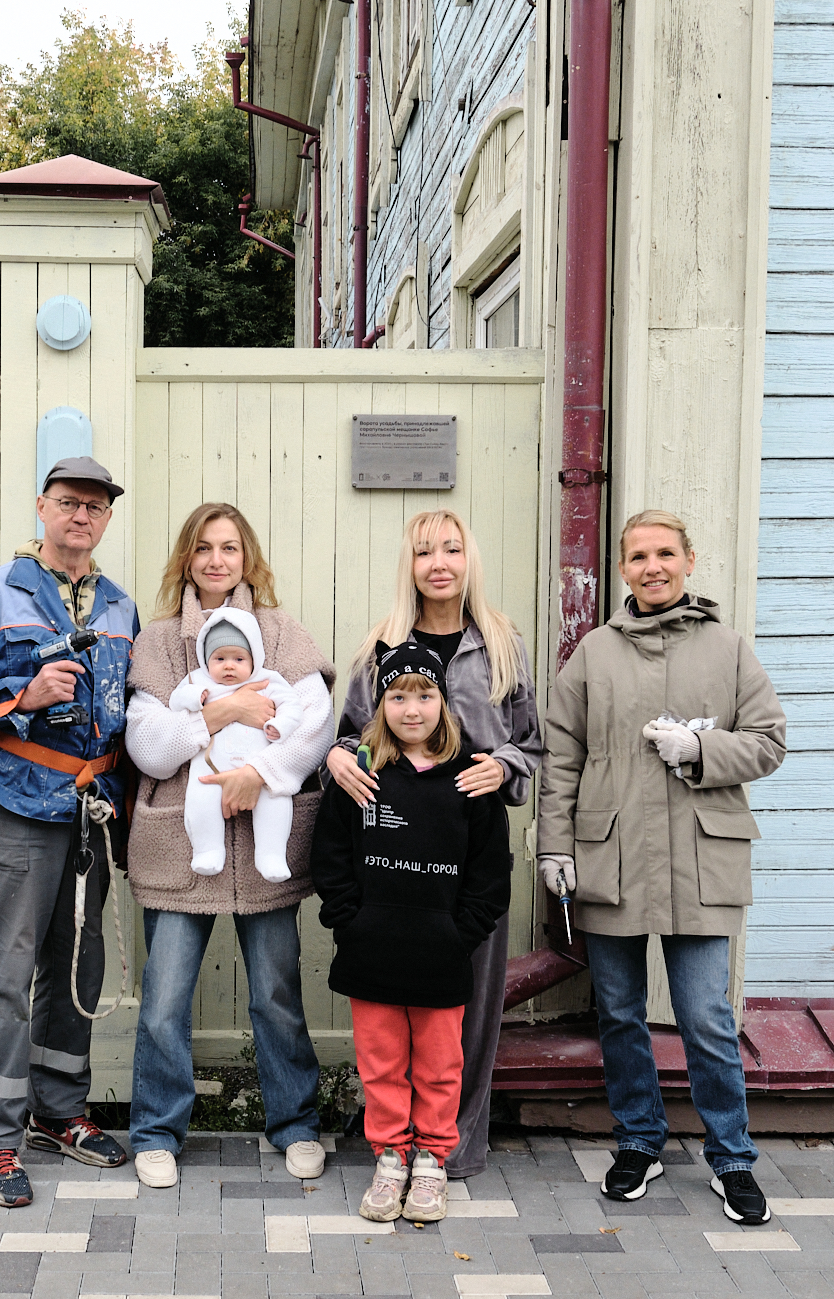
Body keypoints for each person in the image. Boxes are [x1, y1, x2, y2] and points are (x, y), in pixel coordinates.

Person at [535, 509, 787, 1227]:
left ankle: (732, 1156)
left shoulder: (728, 648)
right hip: (609, 855)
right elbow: (563, 757)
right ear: (622, 569)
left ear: (688, 559)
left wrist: (702, 752)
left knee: (707, 1015)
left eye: (665, 554)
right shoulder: (594, 653)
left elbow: (769, 741)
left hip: (701, 860)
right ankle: (639, 1140)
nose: (652, 566)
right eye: (638, 555)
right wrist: (555, 846)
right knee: (618, 1012)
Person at [0, 456, 138, 1208]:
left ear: (107, 519)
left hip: (91, 812)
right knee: (5, 977)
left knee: (77, 969)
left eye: (96, 506)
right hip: (15, 809)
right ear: (43, 507)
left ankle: (57, 1109)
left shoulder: (119, 608)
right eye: (70, 502)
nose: (82, 516)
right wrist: (21, 693)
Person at [122, 502, 336, 1189]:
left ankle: (296, 1123)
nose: (218, 560)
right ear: (186, 558)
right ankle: (157, 1130)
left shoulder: (283, 632)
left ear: (249, 558)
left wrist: (258, 774)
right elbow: (148, 747)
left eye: (231, 548)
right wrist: (222, 712)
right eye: (204, 548)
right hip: (180, 850)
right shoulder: (157, 642)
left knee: (275, 991)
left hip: (264, 848)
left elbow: (317, 726)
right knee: (164, 997)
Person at [324, 509, 542, 1179]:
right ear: (410, 565)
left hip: (470, 855)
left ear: (468, 558)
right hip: (393, 862)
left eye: (452, 548)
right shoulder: (380, 645)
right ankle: (393, 1147)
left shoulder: (501, 641)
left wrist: (503, 762)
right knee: (390, 1020)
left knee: (465, 1014)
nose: (439, 562)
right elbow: (351, 735)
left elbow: (532, 742)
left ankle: (453, 1148)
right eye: (425, 551)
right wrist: (337, 757)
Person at [311, 641, 512, 1223]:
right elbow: (331, 857)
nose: (411, 708)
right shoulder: (362, 773)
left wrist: (461, 934)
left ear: (443, 702)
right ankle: (391, 1157)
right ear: (381, 703)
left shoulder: (470, 780)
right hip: (371, 950)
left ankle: (430, 1160)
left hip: (441, 955)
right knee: (381, 1060)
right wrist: (351, 920)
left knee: (439, 1062)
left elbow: (489, 873)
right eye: (397, 695)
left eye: (424, 694)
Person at [168, 607, 305, 881]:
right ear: (206, 660)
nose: (229, 665)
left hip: (259, 767)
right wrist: (195, 698)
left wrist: (280, 725)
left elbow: (293, 706)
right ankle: (207, 851)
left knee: (276, 799)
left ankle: (272, 855)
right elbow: (175, 701)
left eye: (239, 658)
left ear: (254, 657)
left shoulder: (267, 681)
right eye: (219, 658)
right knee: (201, 797)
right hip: (211, 765)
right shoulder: (198, 681)